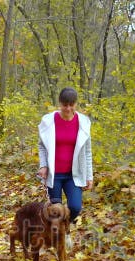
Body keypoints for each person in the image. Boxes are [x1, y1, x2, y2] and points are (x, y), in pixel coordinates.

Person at [37, 87, 93, 248]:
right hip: (54, 175)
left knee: (75, 206)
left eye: (71, 104)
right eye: (64, 105)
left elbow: (87, 151)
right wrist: (43, 166)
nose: (68, 108)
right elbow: (42, 147)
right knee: (55, 210)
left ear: (76, 104)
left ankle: (66, 229)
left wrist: (89, 176)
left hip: (73, 174)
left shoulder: (83, 122)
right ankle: (55, 238)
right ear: (59, 104)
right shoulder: (48, 121)